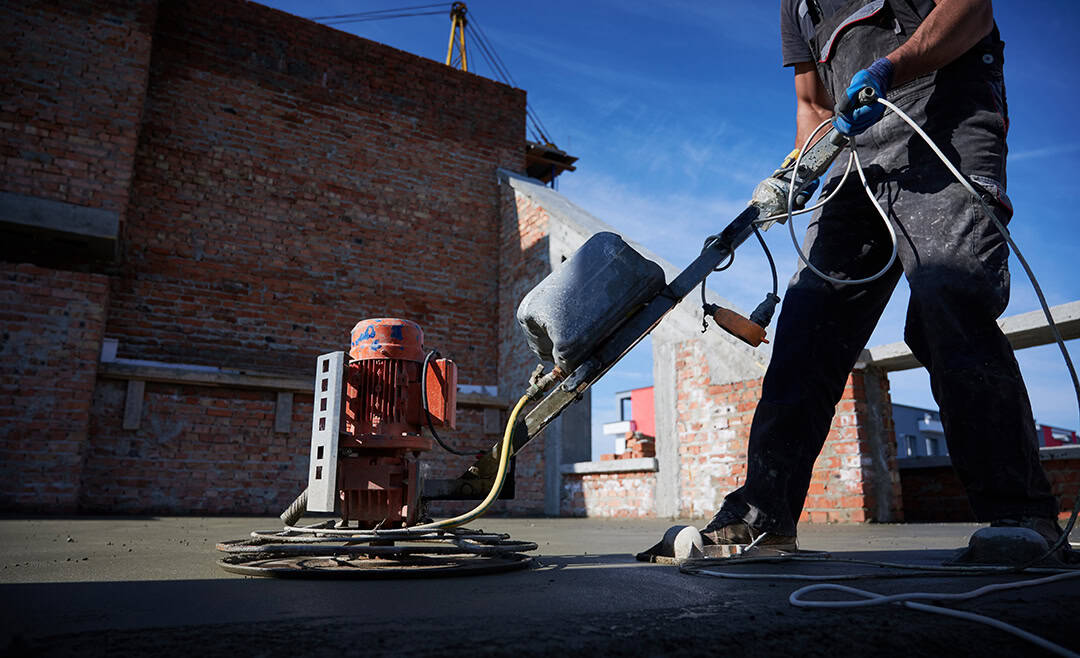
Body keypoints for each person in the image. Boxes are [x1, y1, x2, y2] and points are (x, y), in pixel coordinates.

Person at [701, 0, 1065, 553]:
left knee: (949, 298)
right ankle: (764, 514)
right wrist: (802, 166)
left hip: (945, 120)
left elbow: (973, 10)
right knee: (807, 326)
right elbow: (811, 102)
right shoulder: (797, 5)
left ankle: (1021, 516)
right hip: (855, 157)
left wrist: (891, 69)